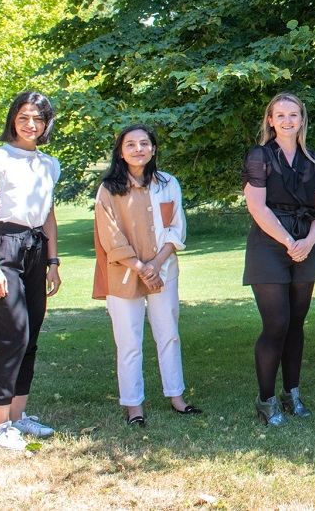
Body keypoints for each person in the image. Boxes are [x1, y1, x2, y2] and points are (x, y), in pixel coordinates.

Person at [93, 125, 201, 426]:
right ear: (120, 152)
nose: (138, 148)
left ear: (153, 149)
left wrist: (156, 264)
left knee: (169, 335)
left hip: (163, 271)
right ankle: (134, 406)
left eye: (144, 143)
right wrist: (141, 268)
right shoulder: (108, 189)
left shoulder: (168, 183)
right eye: (130, 144)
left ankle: (177, 397)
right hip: (123, 274)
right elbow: (110, 236)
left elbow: (176, 228)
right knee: (129, 341)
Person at [0, 90, 62, 451]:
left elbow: (48, 215)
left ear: (46, 124)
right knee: (13, 336)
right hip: (3, 248)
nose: (31, 124)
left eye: (38, 118)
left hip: (36, 249)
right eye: (24, 116)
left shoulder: (49, 164)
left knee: (31, 337)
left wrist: (53, 262)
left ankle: (18, 416)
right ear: (13, 118)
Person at [242, 92, 315, 426]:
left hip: (306, 244)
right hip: (269, 244)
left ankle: (291, 394)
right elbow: (256, 206)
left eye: (294, 115)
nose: (287, 121)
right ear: (270, 120)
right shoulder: (260, 156)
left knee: (296, 324)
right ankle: (265, 400)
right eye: (280, 115)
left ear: (302, 119)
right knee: (277, 323)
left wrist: (308, 241)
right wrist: (289, 241)